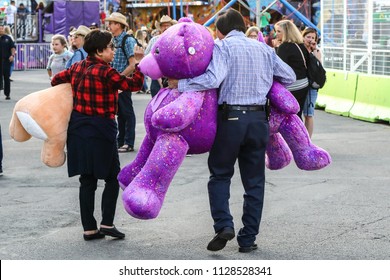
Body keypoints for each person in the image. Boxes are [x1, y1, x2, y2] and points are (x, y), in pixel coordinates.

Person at [169, 9, 295, 253]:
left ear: (219, 30)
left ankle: (223, 224)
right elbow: (288, 76)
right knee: (255, 182)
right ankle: (248, 238)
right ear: (243, 24)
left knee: (220, 174)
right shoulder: (265, 49)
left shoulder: (222, 47)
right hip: (259, 120)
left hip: (230, 119)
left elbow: (213, 79)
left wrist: (181, 85)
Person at [51, 30, 144, 240]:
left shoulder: (76, 67)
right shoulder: (106, 72)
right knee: (112, 177)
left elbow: (56, 80)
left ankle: (89, 228)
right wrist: (137, 64)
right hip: (102, 128)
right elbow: (134, 85)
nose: (113, 50)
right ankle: (107, 223)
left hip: (78, 129)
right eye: (110, 47)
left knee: (87, 179)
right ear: (100, 51)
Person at [106, 12, 138, 153]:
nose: (109, 26)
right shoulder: (114, 40)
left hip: (123, 81)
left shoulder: (127, 40)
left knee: (127, 112)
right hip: (115, 81)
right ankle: (121, 140)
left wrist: (119, 78)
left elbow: (133, 64)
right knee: (119, 113)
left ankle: (128, 142)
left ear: (118, 25)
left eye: (111, 23)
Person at [274, 19, 310, 119]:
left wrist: (276, 49)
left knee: (288, 118)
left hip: (293, 86)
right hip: (304, 84)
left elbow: (279, 69)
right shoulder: (300, 45)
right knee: (298, 116)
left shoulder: (284, 47)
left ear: (286, 32)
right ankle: (301, 134)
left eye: (279, 31)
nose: (276, 34)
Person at [145, 15, 176, 98]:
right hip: (156, 78)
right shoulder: (154, 40)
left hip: (173, 77)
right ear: (160, 27)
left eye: (167, 25)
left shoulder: (176, 40)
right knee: (155, 106)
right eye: (163, 25)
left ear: (171, 26)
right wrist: (158, 77)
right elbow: (147, 59)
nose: (165, 27)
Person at [302, 27, 322, 137]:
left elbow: (319, 68)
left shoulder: (316, 52)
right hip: (300, 84)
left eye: (313, 38)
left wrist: (313, 52)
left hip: (312, 86)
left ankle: (308, 140)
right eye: (308, 37)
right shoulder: (299, 50)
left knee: (309, 114)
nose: (310, 40)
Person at [0, 23, 16, 100]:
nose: (1, 29)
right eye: (0, 28)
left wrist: (12, 55)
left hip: (6, 60)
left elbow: (12, 47)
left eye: (2, 28)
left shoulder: (8, 38)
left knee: (6, 77)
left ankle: (7, 94)